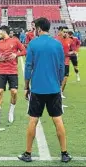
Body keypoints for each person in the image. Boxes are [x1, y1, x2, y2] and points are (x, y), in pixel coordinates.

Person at [20, 17, 71, 163]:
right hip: (54, 88)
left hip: (37, 89)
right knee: (58, 120)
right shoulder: (57, 44)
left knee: (33, 120)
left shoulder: (33, 44)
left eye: (35, 27)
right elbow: (62, 67)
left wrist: (26, 86)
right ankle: (64, 153)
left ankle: (28, 154)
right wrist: (59, 85)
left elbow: (29, 66)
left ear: (39, 28)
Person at [0, 26, 26, 125]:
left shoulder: (15, 41)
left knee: (14, 92)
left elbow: (24, 51)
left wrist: (16, 55)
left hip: (12, 71)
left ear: (3, 32)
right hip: (2, 70)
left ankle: (11, 112)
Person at [55, 26, 73, 99]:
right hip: (57, 61)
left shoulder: (70, 40)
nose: (65, 33)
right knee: (57, 77)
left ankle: (61, 92)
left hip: (66, 62)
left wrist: (72, 52)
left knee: (65, 78)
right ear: (61, 32)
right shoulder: (56, 40)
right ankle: (56, 91)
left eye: (66, 32)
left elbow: (72, 50)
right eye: (64, 32)